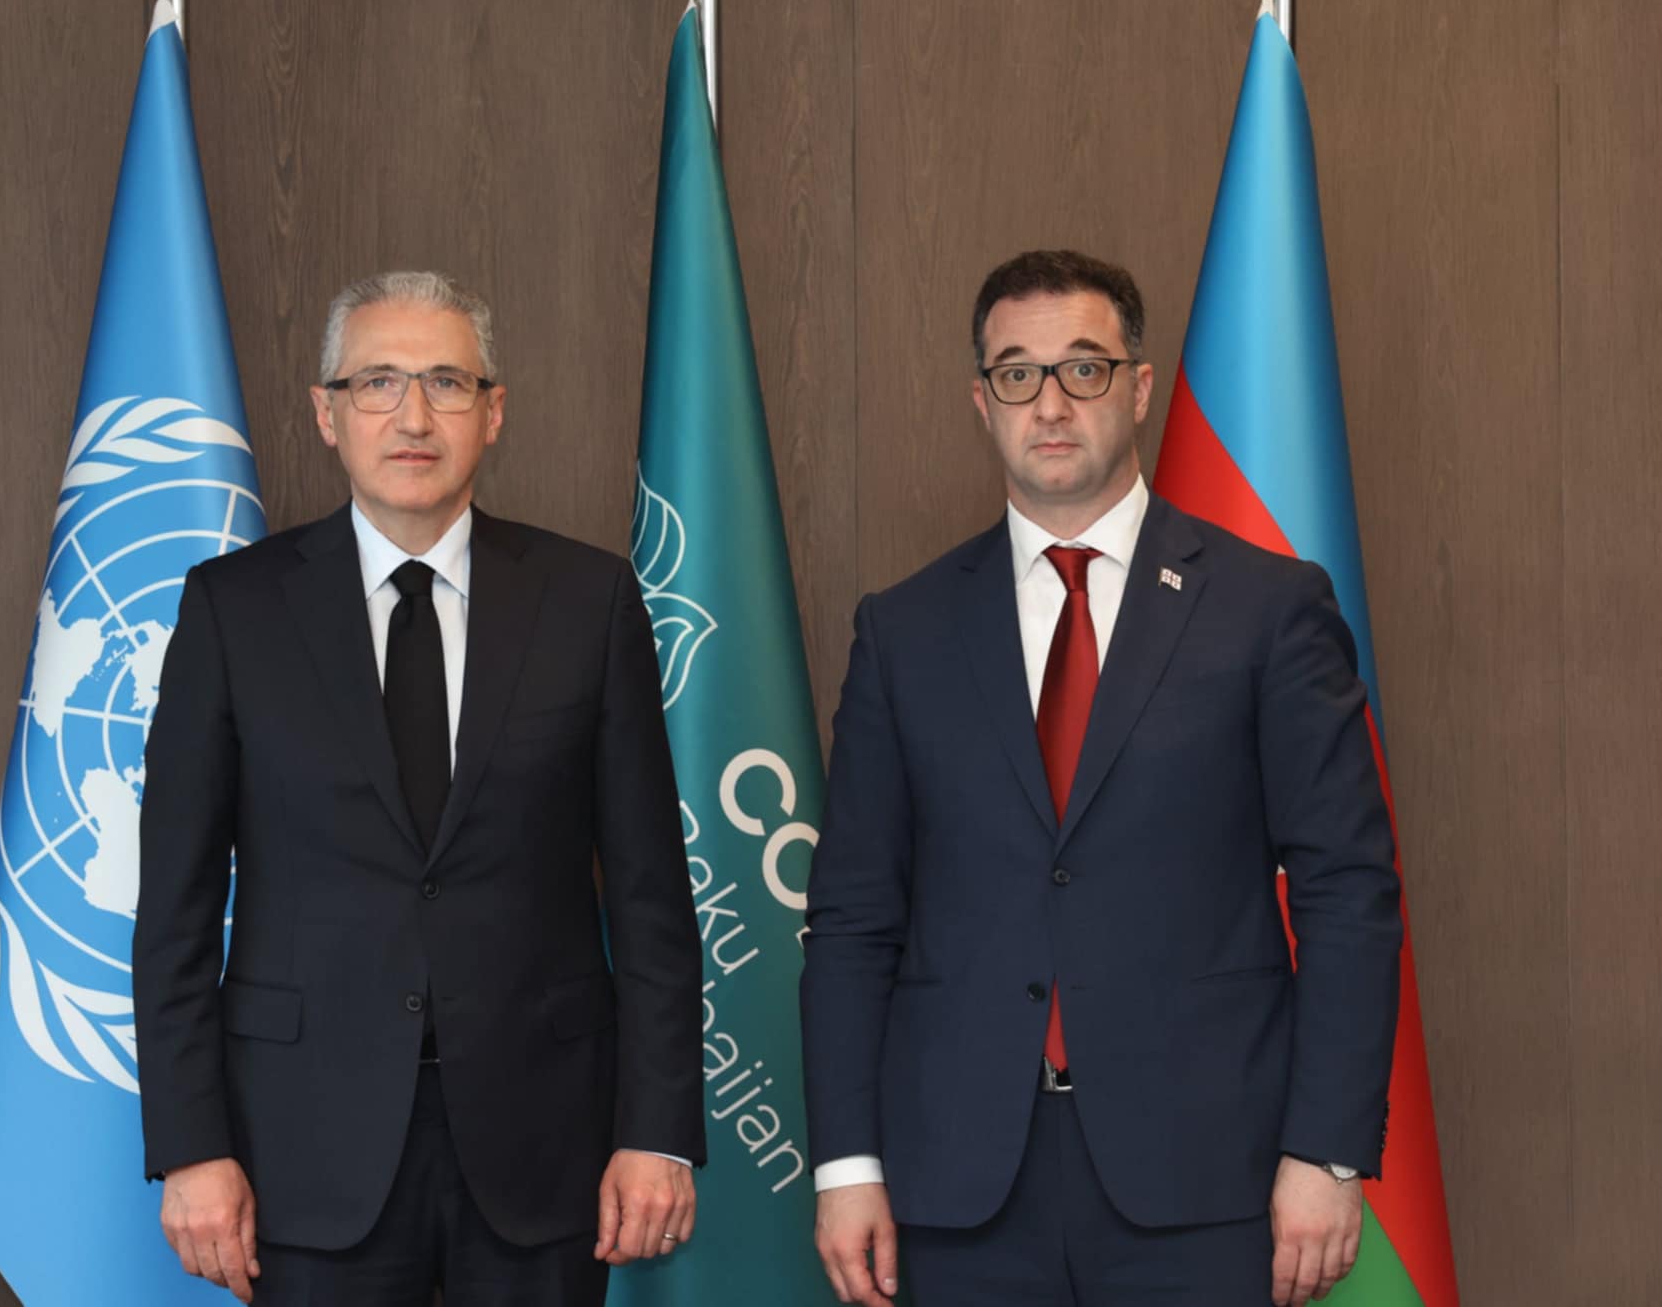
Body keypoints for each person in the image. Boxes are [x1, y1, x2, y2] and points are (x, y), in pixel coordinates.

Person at [800, 250, 1401, 1306]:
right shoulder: (903, 631)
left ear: (1138, 387)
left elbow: (1346, 890)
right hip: (958, 1182)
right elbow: (852, 917)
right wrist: (847, 1165)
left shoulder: (1267, 610)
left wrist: (1327, 1150)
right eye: (1016, 374)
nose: (1050, 404)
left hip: (1206, 1175)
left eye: (1083, 368)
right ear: (981, 402)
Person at [134, 269, 705, 1306]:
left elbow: (651, 896)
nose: (411, 417)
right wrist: (190, 1146)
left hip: (545, 1143)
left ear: (493, 411)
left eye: (446, 382)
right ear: (327, 414)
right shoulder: (233, 611)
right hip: (301, 1147)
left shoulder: (587, 601)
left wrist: (657, 1131)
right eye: (377, 383)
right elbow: (174, 906)